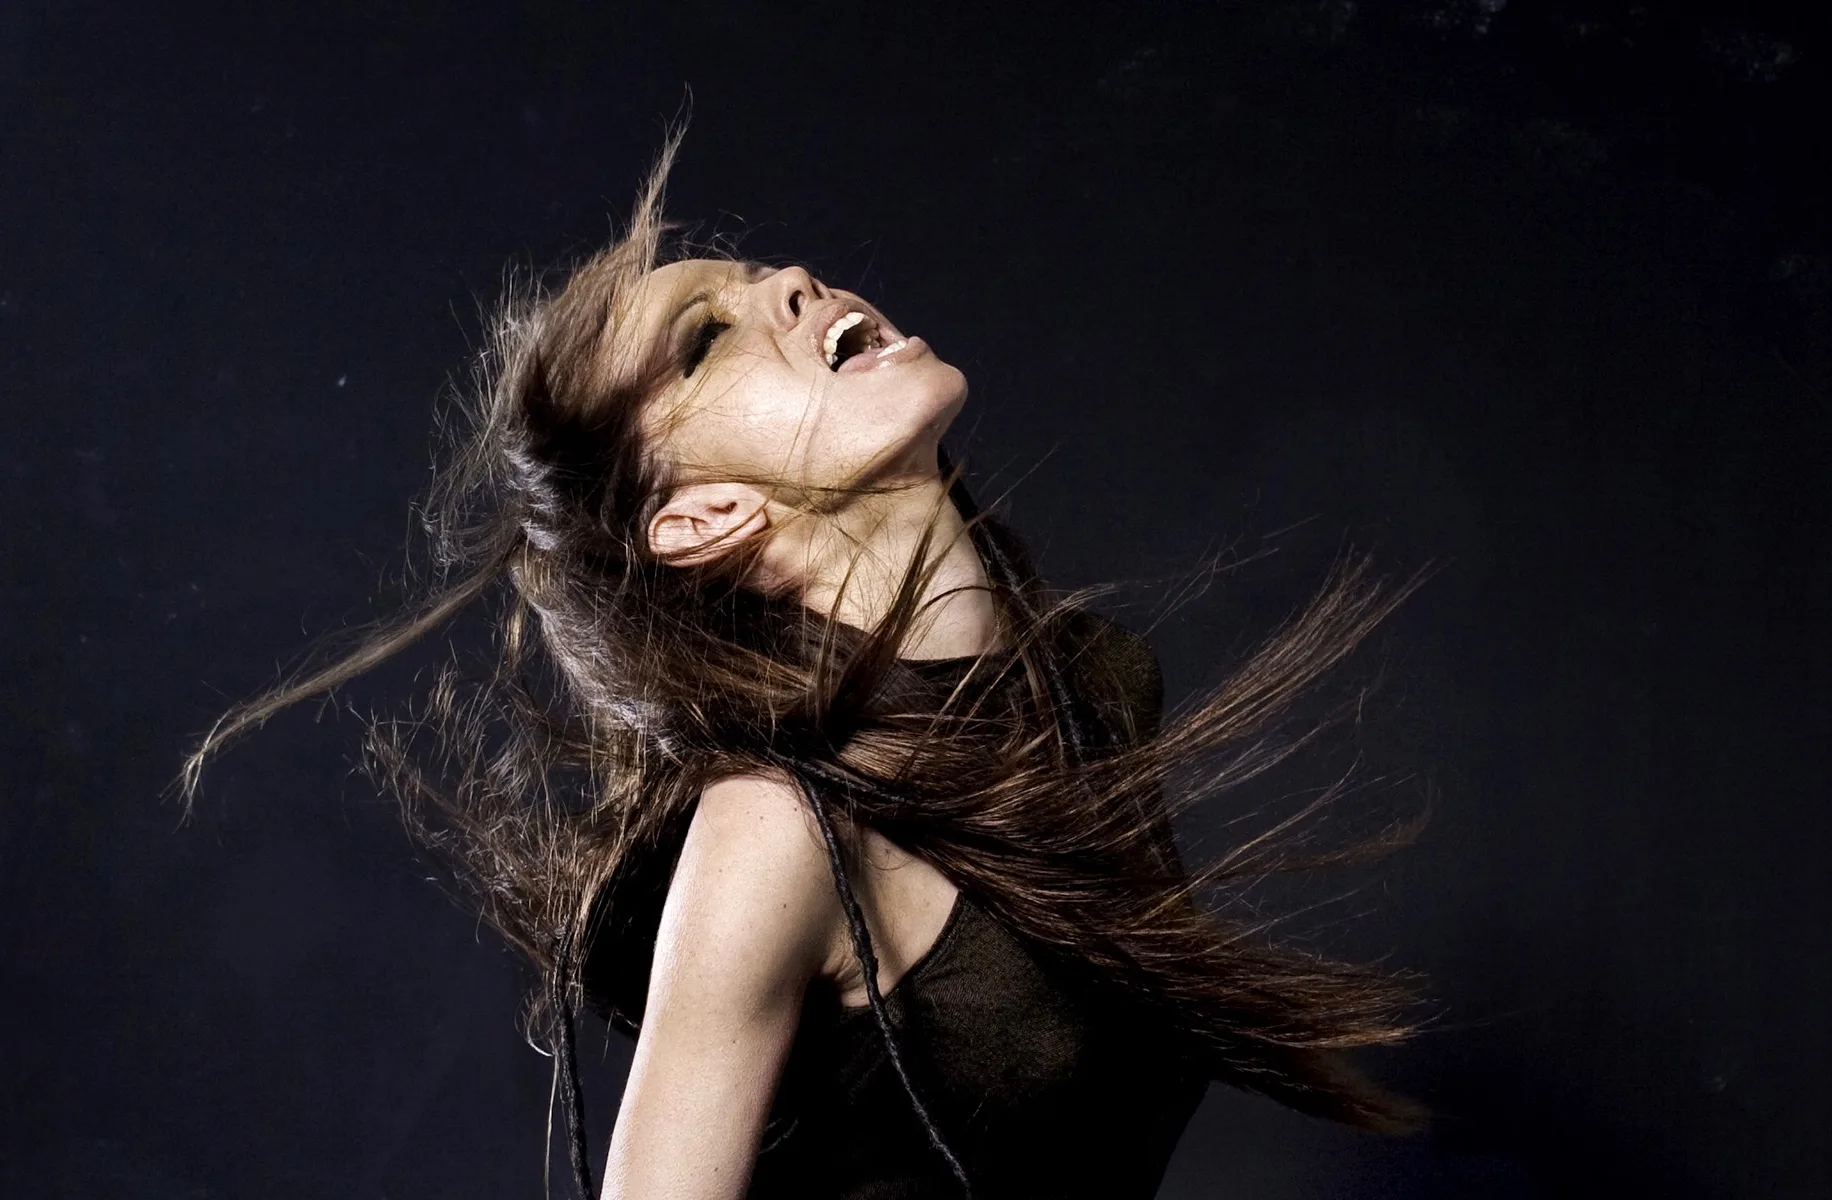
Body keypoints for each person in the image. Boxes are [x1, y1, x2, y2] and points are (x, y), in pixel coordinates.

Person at [181, 133, 1427, 1199]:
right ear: (704, 518)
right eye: (702, 342)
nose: (790, 281)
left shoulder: (1094, 689)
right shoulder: (779, 829)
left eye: (761, 272)